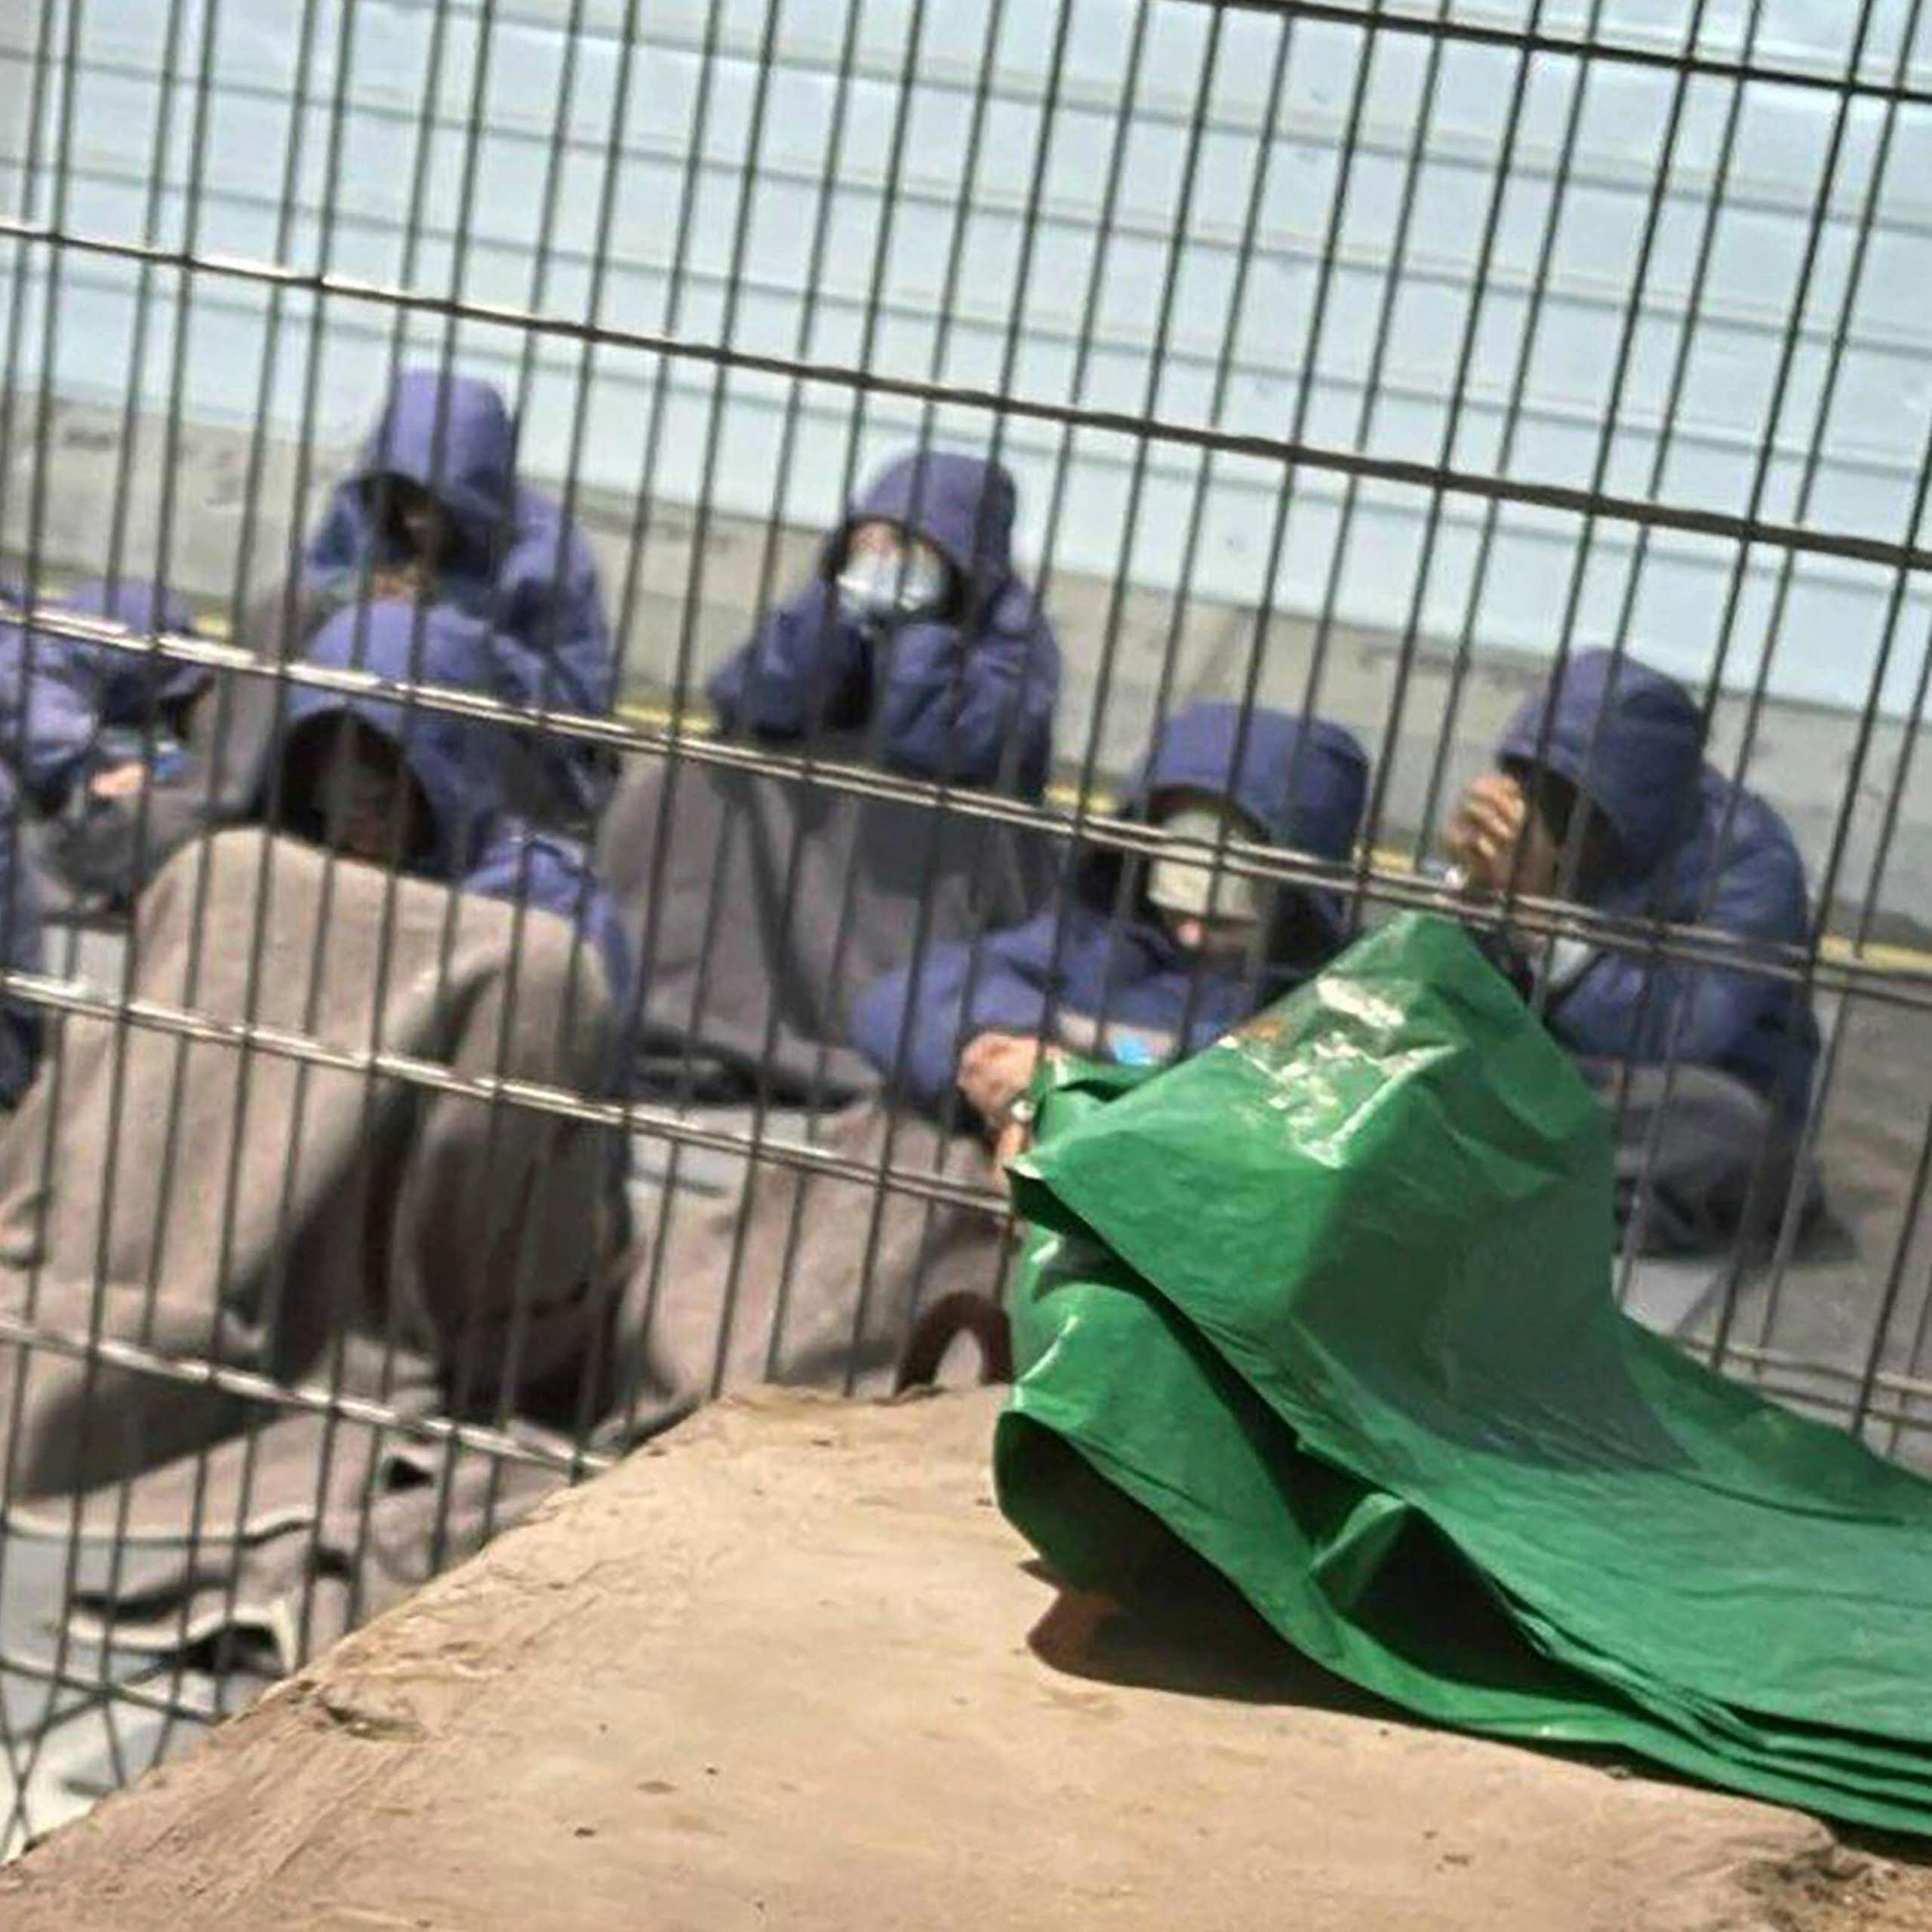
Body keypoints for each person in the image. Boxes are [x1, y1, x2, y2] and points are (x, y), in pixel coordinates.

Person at [0, 597, 632, 1501]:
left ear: (449, 762)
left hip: (430, 1234)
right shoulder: (262, 876)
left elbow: (561, 1152)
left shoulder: (544, 911)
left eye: (384, 775)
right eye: (326, 772)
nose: (353, 810)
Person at [851, 701, 1370, 1161]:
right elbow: (904, 999)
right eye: (1174, 905)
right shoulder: (1098, 942)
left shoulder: (1338, 1001)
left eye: (1224, 919)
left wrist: (1082, 1092)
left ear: (1295, 896)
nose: (1190, 935)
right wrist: (1008, 1053)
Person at [1444, 647, 1820, 1254]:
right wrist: (1472, 890)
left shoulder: (1751, 860)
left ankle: (1497, 1177)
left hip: (1679, 1098)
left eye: (1571, 803)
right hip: (1558, 1082)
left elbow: (1683, 1034)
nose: (1550, 818)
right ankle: (1523, 1181)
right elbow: (1457, 992)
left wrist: (1539, 922)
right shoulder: (1541, 826)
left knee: (1732, 1136)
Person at [300, 366, 617, 821]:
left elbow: (578, 716)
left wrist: (450, 633)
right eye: (405, 500)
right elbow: (313, 584)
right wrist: (354, 597)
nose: (416, 521)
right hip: (355, 731)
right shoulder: (360, 514)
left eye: (436, 506)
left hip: (497, 764)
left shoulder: (548, 555)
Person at [706, 447, 1060, 798]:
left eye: (902, 544)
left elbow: (942, 746)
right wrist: (835, 617)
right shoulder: (838, 595)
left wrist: (919, 626)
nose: (879, 558)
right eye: (866, 540)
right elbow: (756, 698)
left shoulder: (1011, 629)